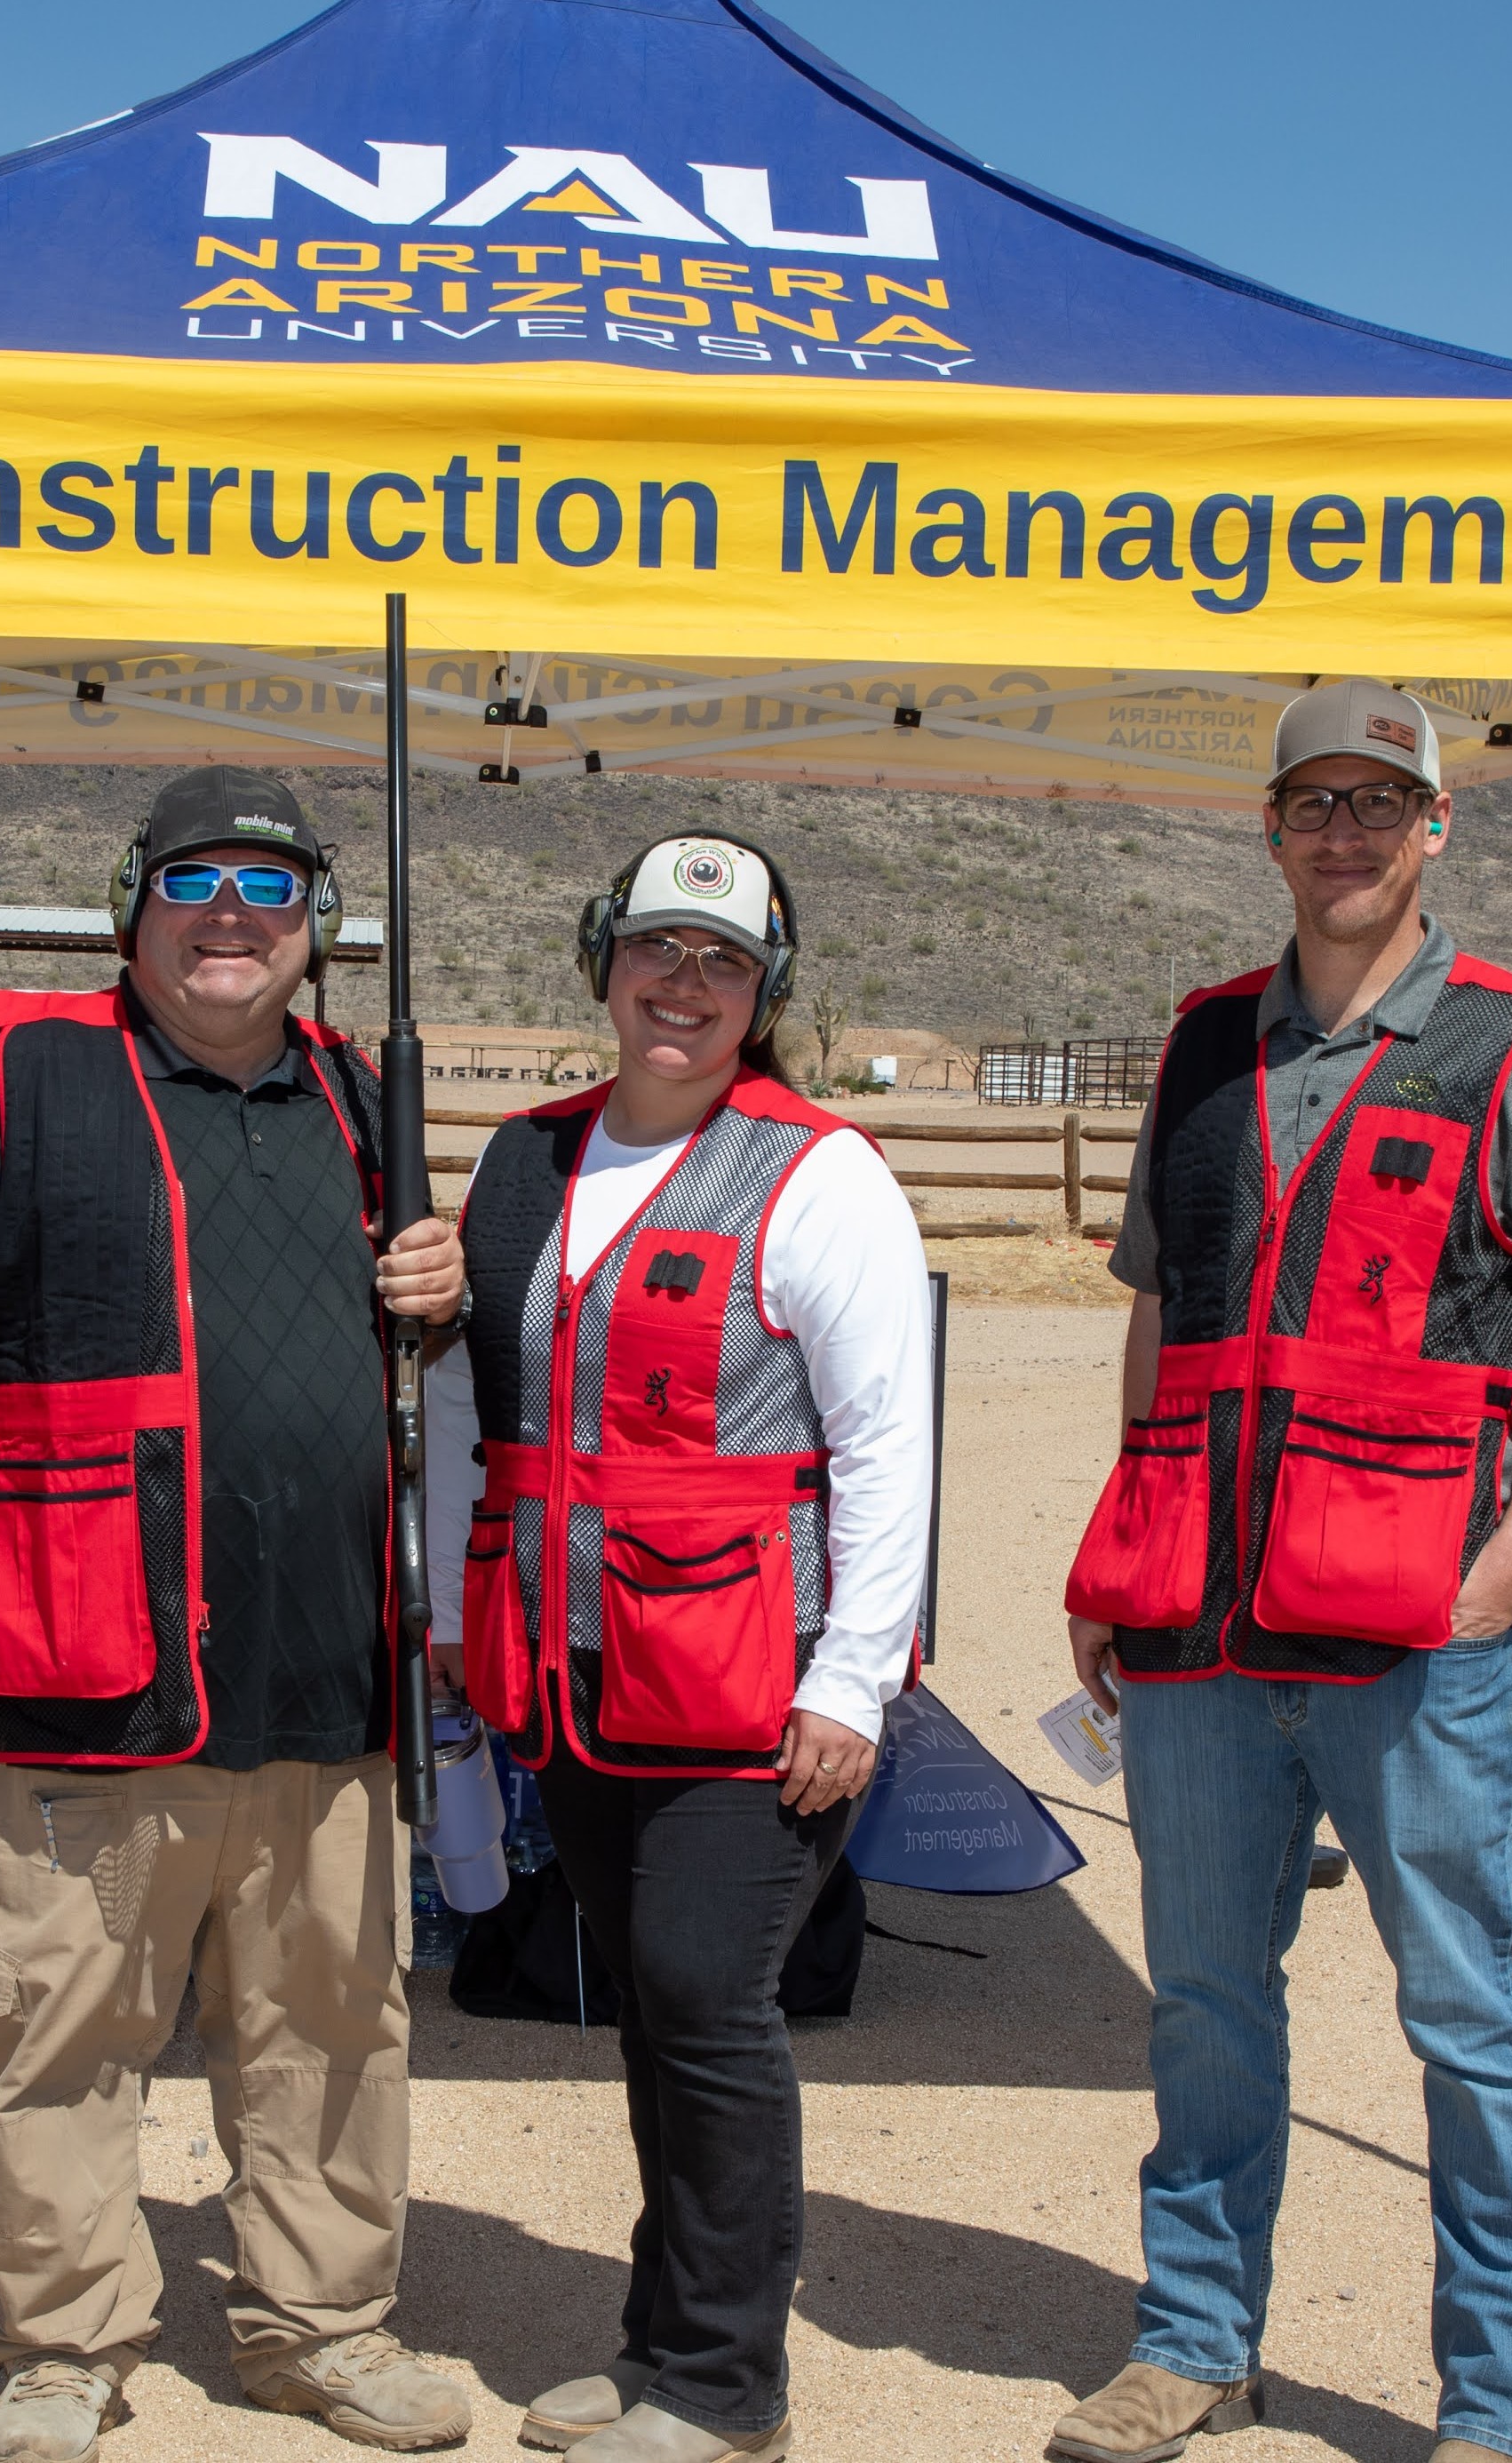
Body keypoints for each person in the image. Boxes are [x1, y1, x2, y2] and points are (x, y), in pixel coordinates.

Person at [1043, 681, 1512, 2463]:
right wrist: (1123, 1536)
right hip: (1198, 1622)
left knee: (1467, 2014)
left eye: (1378, 802)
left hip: (1418, 1623)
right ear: (1269, 829)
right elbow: (1167, 1313)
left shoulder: (1510, 1047)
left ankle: (1496, 2403)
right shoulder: (1198, 1049)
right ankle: (1192, 2342)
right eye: (1312, 801)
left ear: (1432, 828)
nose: (1344, 830)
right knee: (1205, 2002)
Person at [0, 768, 472, 2463]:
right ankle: (61, 2346)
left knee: (332, 2030)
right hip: (79, 1663)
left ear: (315, 931)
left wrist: (441, 1292)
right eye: (194, 881)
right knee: (51, 2032)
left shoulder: (356, 1103)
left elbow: (423, 1374)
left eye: (271, 890)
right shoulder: (29, 1080)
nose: (232, 916)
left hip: (324, 1673)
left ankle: (321, 2327)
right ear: (130, 903)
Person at [426, 833, 932, 2463]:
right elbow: (469, 1407)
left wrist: (850, 1680)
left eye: (721, 963)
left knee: (711, 2006)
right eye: (656, 949)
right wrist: (453, 1610)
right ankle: (656, 2346)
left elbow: (883, 1446)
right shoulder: (523, 1162)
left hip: (744, 1683)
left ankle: (725, 2386)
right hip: (577, 1674)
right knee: (650, 2003)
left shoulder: (819, 1173)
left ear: (763, 992)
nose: (683, 985)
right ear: (602, 963)